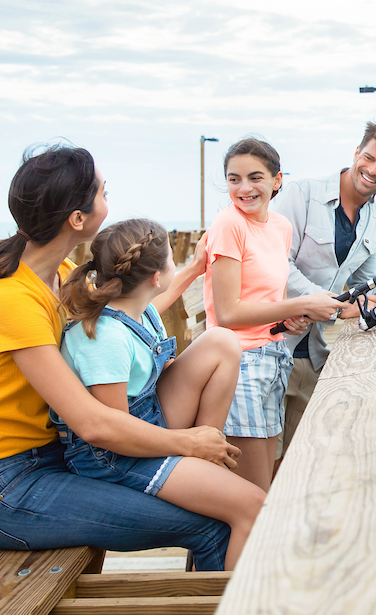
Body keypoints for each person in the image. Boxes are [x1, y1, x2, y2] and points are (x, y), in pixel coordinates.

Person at [0, 144, 250, 572]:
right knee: (212, 523)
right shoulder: (10, 298)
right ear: (77, 219)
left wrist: (192, 269)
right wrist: (190, 444)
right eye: (103, 191)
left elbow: (127, 312)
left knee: (219, 508)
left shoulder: (55, 271)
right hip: (8, 486)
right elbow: (92, 422)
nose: (109, 199)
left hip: (53, 458)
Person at [55, 218, 265, 570]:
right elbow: (114, 434)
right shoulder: (105, 339)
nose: (174, 265)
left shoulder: (138, 310)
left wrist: (196, 268)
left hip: (146, 418)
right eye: (172, 259)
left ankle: (205, 459)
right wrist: (186, 440)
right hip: (113, 455)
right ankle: (227, 600)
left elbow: (163, 297)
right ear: (154, 277)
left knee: (222, 342)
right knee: (253, 505)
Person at [270, 122, 376, 466]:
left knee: (298, 463)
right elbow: (275, 265)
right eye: (369, 158)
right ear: (355, 153)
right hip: (269, 347)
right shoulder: (301, 193)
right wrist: (332, 308)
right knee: (260, 463)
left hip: (312, 355)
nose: (373, 170)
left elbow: (368, 285)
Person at [204, 137, 350, 492]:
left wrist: (286, 322)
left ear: (277, 180)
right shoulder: (228, 224)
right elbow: (226, 313)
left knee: (267, 481)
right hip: (238, 365)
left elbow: (266, 298)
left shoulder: (281, 227)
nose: (243, 188)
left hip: (275, 355)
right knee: (250, 491)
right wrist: (302, 304)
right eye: (233, 179)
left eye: (255, 177)